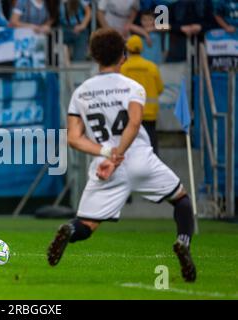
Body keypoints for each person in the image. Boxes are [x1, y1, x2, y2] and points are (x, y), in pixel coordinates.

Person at [47, 28, 196, 283]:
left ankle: (68, 230)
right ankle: (183, 242)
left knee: (86, 224)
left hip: (104, 165)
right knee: (181, 200)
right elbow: (135, 123)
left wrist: (107, 153)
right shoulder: (132, 87)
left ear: (94, 57)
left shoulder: (81, 92)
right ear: (123, 56)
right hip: (138, 158)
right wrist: (119, 154)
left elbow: (73, 138)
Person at [121, 35, 164, 155]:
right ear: (142, 48)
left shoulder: (123, 68)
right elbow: (160, 89)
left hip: (130, 115)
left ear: (127, 49)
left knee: (131, 148)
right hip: (150, 114)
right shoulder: (152, 67)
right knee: (151, 147)